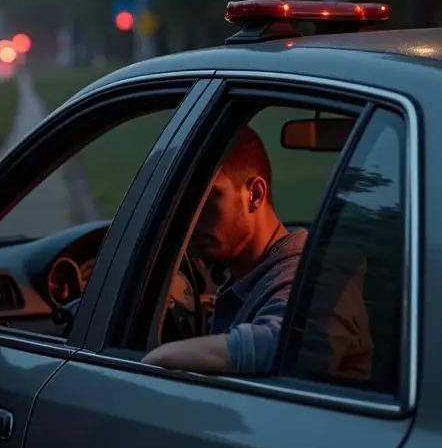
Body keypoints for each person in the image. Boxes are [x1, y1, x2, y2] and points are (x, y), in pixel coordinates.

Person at [142, 125, 370, 377]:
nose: (192, 216)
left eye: (208, 197)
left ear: (255, 194)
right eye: (186, 201)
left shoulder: (316, 277)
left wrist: (158, 358)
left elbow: (286, 344)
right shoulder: (250, 272)